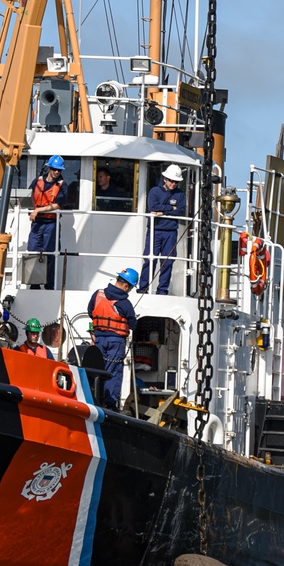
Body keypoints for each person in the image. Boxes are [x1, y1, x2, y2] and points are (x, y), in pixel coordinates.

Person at [88, 268, 138, 408]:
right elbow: (133, 324)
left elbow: (90, 311)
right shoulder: (124, 303)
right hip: (116, 342)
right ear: (126, 286)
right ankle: (110, 404)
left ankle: (95, 400)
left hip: (98, 340)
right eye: (131, 288)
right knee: (113, 372)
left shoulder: (97, 295)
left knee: (97, 369)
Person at [139, 164, 187, 295]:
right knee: (150, 260)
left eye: (176, 181)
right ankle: (143, 289)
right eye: (171, 180)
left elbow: (181, 211)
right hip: (155, 230)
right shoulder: (155, 191)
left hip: (170, 232)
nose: (173, 183)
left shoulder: (180, 195)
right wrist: (172, 209)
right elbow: (152, 207)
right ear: (165, 178)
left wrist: (162, 211)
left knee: (167, 262)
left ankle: (162, 291)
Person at [28, 155, 67, 289]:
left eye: (59, 170)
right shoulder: (37, 181)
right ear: (49, 168)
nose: (57, 172)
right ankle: (34, 284)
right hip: (37, 223)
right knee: (33, 251)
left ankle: (49, 285)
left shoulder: (62, 185)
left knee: (50, 254)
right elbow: (30, 195)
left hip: (51, 223)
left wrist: (38, 210)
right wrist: (33, 210)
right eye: (55, 169)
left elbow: (57, 205)